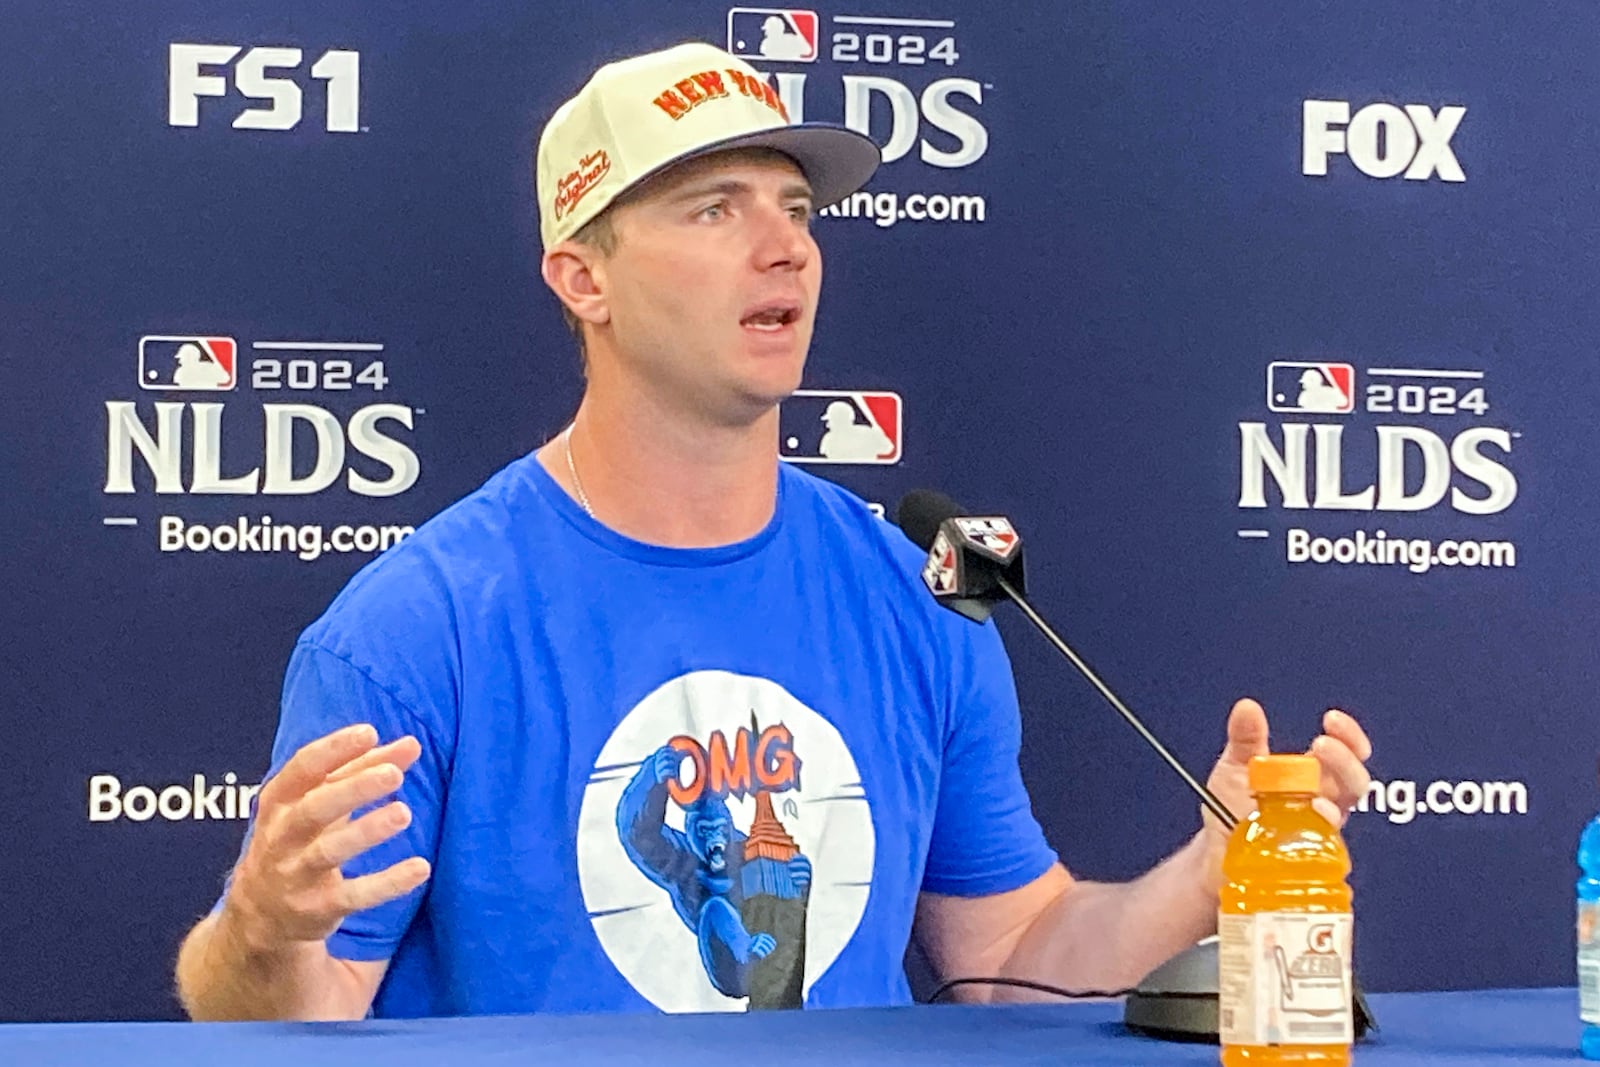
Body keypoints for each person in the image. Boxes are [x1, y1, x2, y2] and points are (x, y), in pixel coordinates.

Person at [173, 41, 1373, 1022]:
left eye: (796, 209)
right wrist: (260, 934)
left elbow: (1007, 953)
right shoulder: (416, 627)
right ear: (582, 279)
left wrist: (1207, 873)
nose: (784, 243)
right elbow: (292, 1017)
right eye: (713, 207)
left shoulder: (922, 591)